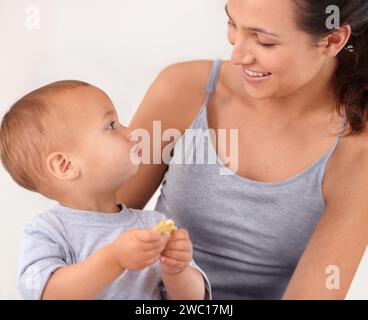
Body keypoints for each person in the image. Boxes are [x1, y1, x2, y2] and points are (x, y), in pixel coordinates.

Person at [117, 0, 368, 299]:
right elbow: (93, 227)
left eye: (264, 41)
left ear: (333, 40)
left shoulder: (356, 148)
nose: (237, 56)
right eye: (233, 25)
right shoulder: (184, 89)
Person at [0, 80, 211, 300]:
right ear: (66, 165)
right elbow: (48, 294)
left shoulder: (152, 225)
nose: (130, 131)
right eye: (111, 125)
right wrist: (114, 259)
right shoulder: (48, 232)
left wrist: (177, 271)